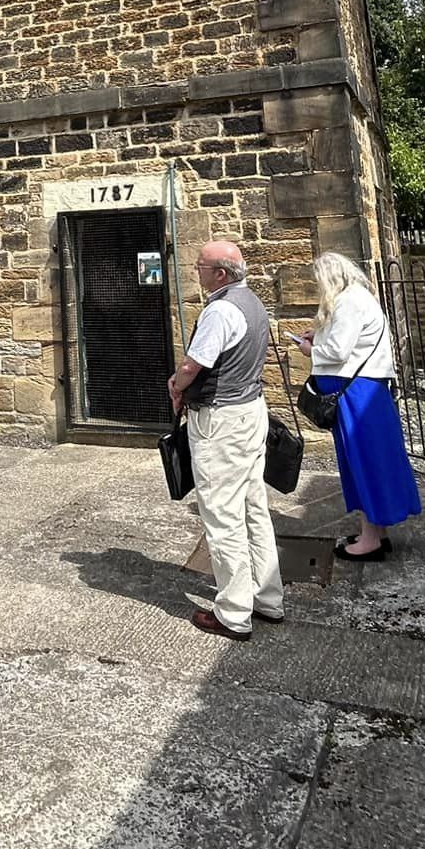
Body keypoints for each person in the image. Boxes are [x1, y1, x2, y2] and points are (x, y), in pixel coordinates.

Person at [166, 239, 283, 640]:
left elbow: (192, 364)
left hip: (221, 420)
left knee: (221, 515)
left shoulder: (220, 310)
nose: (195, 272)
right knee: (253, 507)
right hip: (251, 411)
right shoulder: (253, 302)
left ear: (219, 273)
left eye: (199, 266)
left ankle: (233, 612)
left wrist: (176, 385)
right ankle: (267, 596)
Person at [290, 251, 419, 560]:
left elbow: (337, 350)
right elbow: (348, 341)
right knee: (371, 459)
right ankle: (375, 530)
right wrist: (318, 333)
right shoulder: (359, 297)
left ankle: (370, 540)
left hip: (357, 397)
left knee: (363, 461)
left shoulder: (348, 301)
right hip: (363, 393)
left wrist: (311, 348)